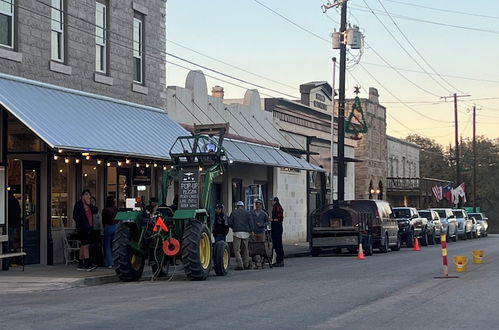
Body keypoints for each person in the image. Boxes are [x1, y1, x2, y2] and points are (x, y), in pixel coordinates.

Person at [73, 189, 98, 271]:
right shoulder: (79, 205)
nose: (88, 196)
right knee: (86, 245)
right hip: (83, 228)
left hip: (89, 227)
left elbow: (95, 211)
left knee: (83, 246)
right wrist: (81, 224)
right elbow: (75, 216)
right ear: (82, 195)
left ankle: (80, 263)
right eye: (86, 194)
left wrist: (90, 204)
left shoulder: (89, 205)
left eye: (89, 195)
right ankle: (87, 263)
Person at [228, 201, 253, 270]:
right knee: (245, 249)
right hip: (246, 233)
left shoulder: (234, 213)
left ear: (237, 206)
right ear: (243, 206)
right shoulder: (247, 213)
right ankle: (246, 264)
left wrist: (233, 227)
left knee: (237, 250)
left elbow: (229, 223)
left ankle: (240, 264)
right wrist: (251, 231)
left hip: (237, 233)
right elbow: (251, 223)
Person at [250, 199, 270, 269]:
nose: (258, 206)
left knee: (261, 247)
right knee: (254, 247)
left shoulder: (264, 214)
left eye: (259, 204)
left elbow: (268, 222)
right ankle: (256, 261)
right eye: (257, 204)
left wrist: (262, 224)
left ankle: (261, 261)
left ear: (261, 205)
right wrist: (251, 230)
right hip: (254, 232)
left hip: (261, 232)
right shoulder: (251, 213)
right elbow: (249, 221)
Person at [102, 196, 118, 269]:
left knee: (107, 246)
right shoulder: (115, 209)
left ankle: (109, 263)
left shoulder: (105, 210)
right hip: (115, 226)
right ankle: (115, 261)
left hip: (108, 227)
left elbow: (103, 221)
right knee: (114, 245)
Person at [271, 197, 285, 267]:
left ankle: (280, 260)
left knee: (278, 243)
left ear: (275, 201)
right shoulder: (275, 207)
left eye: (272, 201)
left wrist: (272, 219)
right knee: (276, 244)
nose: (271, 202)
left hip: (277, 228)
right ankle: (278, 260)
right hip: (276, 228)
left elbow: (279, 218)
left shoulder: (277, 207)